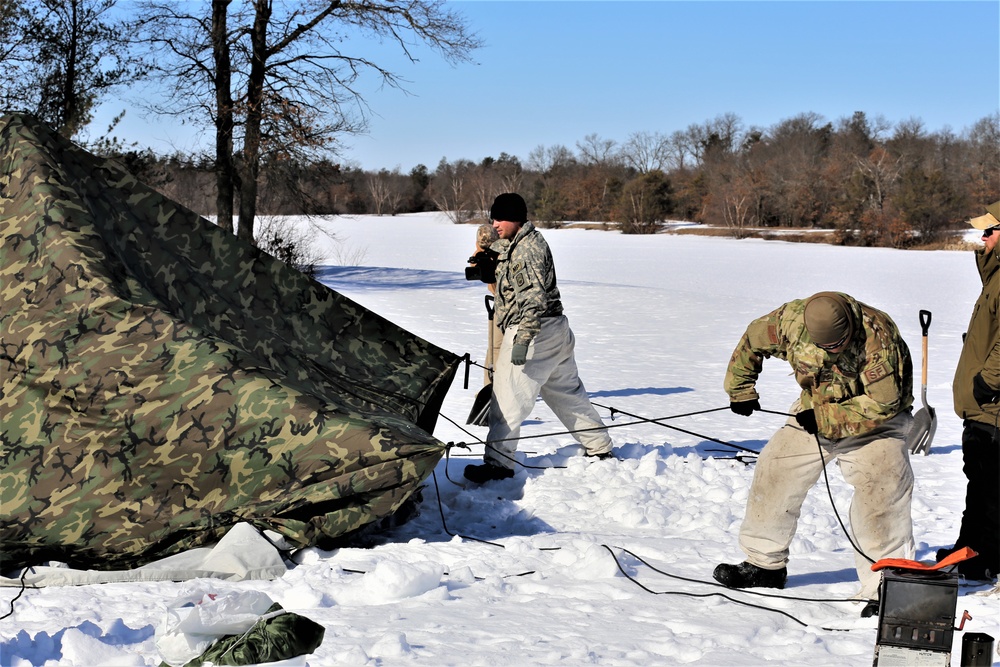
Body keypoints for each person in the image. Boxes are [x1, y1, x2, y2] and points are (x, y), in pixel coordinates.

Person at [715, 291, 915, 617]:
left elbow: (884, 403)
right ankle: (764, 565)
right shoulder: (790, 322)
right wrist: (741, 389)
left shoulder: (878, 337)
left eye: (839, 345)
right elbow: (753, 339)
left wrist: (825, 419)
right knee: (774, 471)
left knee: (882, 490)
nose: (832, 351)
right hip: (815, 410)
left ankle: (886, 584)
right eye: (826, 347)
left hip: (875, 422)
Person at [463, 193, 614, 484]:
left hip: (532, 330)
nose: (494, 224)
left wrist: (522, 340)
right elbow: (491, 241)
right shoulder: (518, 241)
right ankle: (599, 448)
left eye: (498, 219)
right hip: (556, 330)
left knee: (507, 399)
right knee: (567, 393)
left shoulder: (526, 252)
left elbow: (533, 299)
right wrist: (486, 261)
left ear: (515, 218)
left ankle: (499, 464)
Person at [936, 201, 1000, 581]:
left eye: (991, 230)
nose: (983, 236)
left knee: (991, 486)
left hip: (992, 405)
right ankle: (969, 546)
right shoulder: (994, 275)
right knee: (979, 479)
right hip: (982, 406)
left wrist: (987, 382)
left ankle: (986, 556)